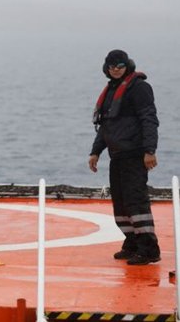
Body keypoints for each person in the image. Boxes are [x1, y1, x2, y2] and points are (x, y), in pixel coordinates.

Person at [89, 49, 160, 265]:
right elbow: (106, 126)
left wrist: (149, 150)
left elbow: (149, 119)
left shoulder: (139, 88)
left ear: (127, 65)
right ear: (107, 69)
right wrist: (95, 151)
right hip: (117, 155)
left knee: (136, 201)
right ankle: (132, 242)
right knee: (120, 203)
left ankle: (149, 249)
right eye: (112, 67)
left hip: (134, 154)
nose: (116, 70)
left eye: (120, 66)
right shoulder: (111, 90)